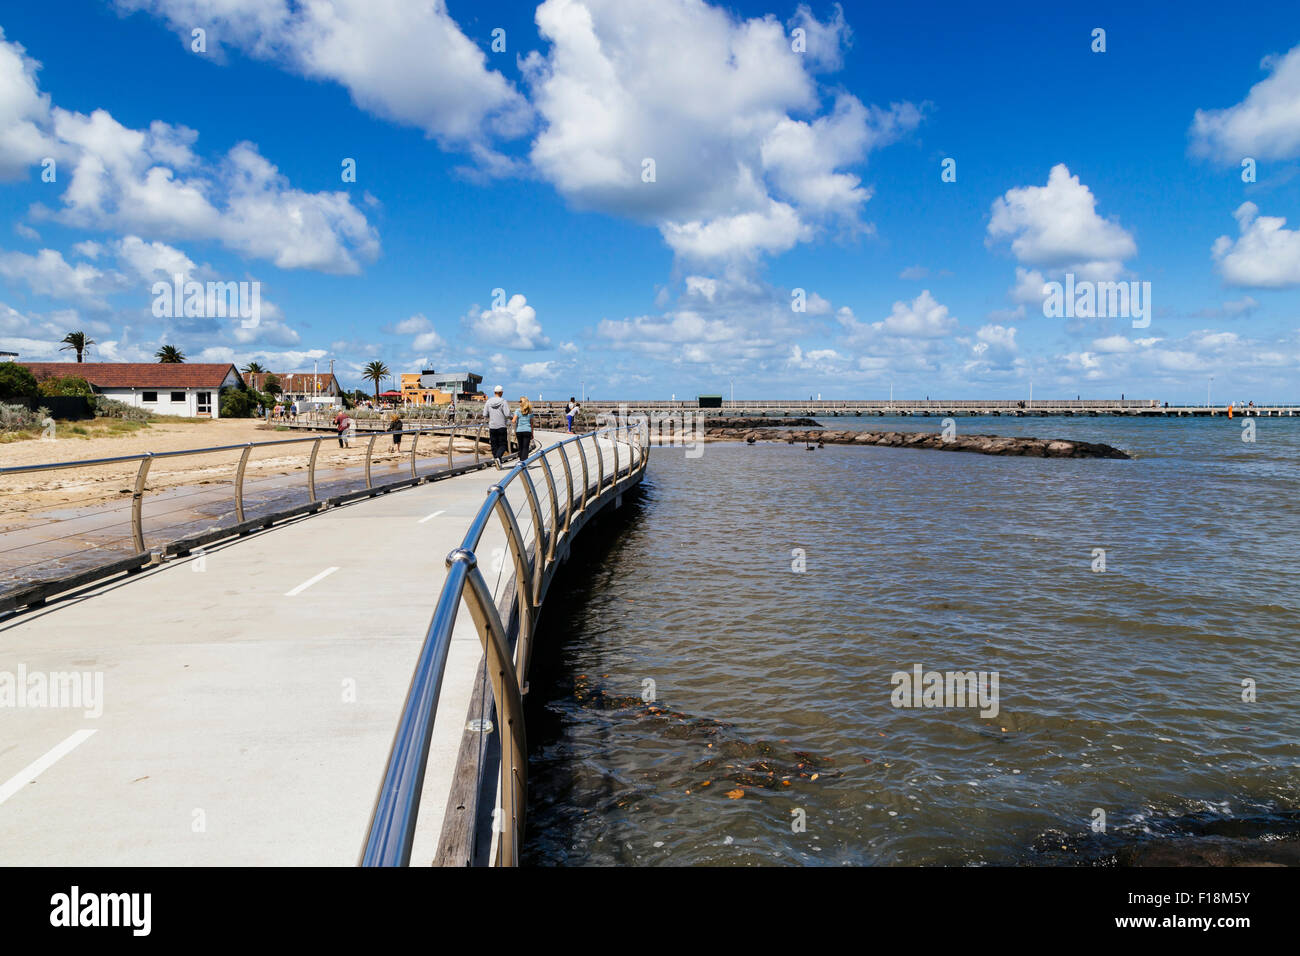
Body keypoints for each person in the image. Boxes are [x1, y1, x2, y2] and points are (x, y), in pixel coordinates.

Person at [485, 385, 510, 469]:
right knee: (503, 445)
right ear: (501, 392)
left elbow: (485, 414)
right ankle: (498, 458)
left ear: (494, 392)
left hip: (492, 426)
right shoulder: (503, 402)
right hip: (502, 426)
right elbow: (507, 414)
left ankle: (497, 460)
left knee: (494, 445)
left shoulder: (488, 402)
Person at [513, 397, 534, 461]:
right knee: (526, 447)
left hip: (519, 430)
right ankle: (523, 461)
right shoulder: (530, 411)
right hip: (527, 430)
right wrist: (532, 433)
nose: (519, 403)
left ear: (522, 403)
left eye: (520, 401)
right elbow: (531, 423)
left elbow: (513, 420)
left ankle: (521, 460)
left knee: (521, 446)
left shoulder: (517, 410)